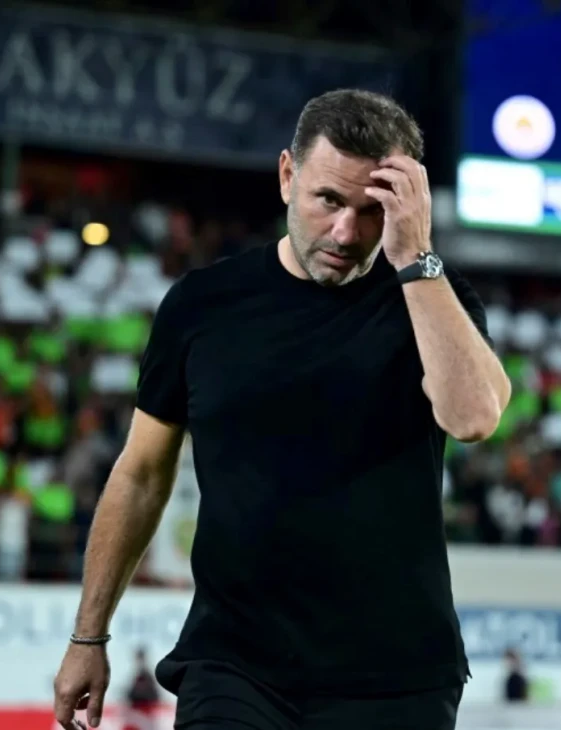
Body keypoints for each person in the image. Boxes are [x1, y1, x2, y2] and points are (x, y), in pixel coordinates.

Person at [52, 88, 510, 730]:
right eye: (329, 200)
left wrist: (415, 257)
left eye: (372, 210)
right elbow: (142, 474)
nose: (346, 233)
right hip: (235, 666)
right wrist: (88, 635)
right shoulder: (202, 305)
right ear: (288, 175)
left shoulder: (432, 295)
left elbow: (475, 418)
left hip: (396, 677)